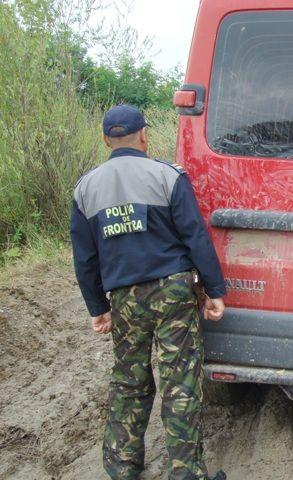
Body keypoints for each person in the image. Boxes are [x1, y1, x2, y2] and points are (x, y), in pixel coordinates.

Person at [70, 104, 227, 480]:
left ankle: (122, 468)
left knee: (129, 381)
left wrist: (97, 307)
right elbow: (195, 237)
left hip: (125, 300)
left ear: (105, 140)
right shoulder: (167, 176)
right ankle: (185, 474)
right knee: (180, 382)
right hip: (174, 293)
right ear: (144, 135)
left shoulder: (85, 189)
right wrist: (214, 289)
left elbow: (85, 257)